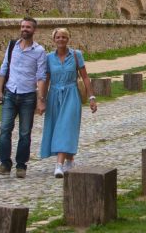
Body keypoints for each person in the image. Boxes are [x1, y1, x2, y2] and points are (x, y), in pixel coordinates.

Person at [0, 17, 47, 178]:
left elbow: (41, 76)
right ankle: (5, 163)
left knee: (25, 132)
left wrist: (41, 99)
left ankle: (21, 165)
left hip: (28, 96)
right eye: (22, 26)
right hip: (10, 93)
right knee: (5, 129)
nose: (24, 29)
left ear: (34, 30)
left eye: (28, 27)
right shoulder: (12, 46)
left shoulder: (39, 51)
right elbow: (3, 69)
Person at [40, 27, 98, 178]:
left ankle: (59, 165)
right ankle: (70, 161)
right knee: (57, 127)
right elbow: (46, 80)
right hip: (54, 95)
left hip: (71, 94)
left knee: (65, 127)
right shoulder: (48, 58)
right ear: (54, 40)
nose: (61, 40)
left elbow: (85, 77)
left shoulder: (76, 55)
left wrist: (91, 97)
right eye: (58, 37)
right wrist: (42, 100)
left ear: (68, 39)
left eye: (64, 37)